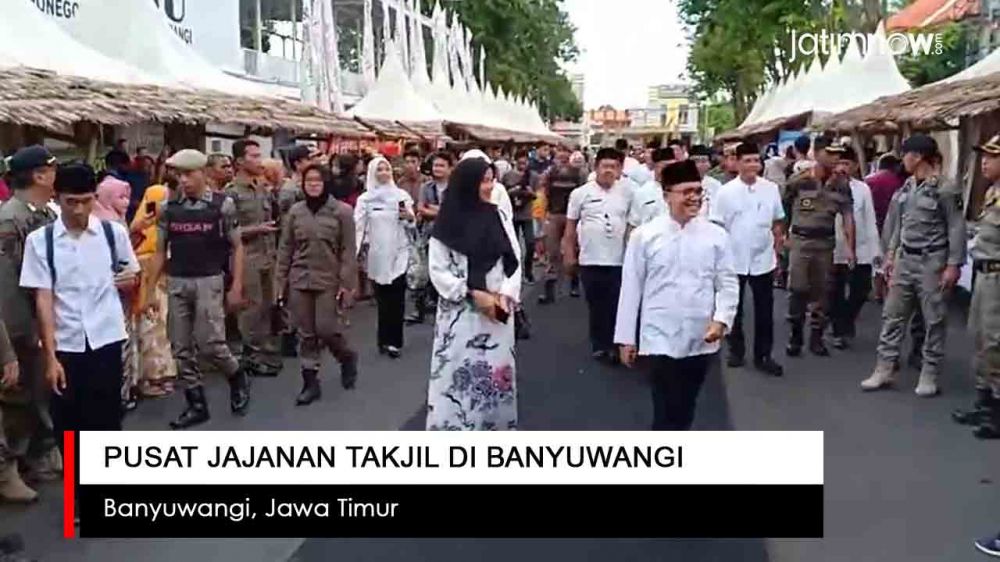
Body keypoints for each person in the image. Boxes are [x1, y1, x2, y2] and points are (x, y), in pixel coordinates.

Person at [21, 162, 138, 459]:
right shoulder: (41, 242)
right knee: (68, 425)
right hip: (66, 345)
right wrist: (50, 358)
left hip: (106, 340)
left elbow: (133, 277)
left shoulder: (113, 235)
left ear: (95, 198)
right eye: (70, 202)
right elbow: (43, 299)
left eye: (86, 201)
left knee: (107, 422)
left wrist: (130, 282)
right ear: (57, 199)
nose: (78, 209)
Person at [615, 159, 738, 430]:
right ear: (666, 195)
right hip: (658, 334)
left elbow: (727, 283)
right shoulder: (645, 236)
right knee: (665, 403)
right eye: (686, 192)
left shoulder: (716, 236)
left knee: (687, 403)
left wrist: (722, 319)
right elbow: (631, 287)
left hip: (701, 334)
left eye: (698, 191)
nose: (694, 198)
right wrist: (625, 338)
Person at [144, 149, 250, 429]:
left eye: (189, 174)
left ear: (203, 173)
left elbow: (237, 246)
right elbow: (159, 251)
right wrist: (149, 290)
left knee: (211, 343)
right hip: (178, 280)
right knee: (180, 347)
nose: (184, 180)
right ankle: (196, 404)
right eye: (179, 175)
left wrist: (237, 285)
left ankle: (236, 375)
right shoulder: (169, 208)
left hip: (209, 280)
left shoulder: (221, 205)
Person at [861, 134, 966, 397]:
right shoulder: (907, 187)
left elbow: (956, 227)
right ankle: (884, 367)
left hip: (932, 261)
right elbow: (899, 224)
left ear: (917, 156)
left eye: (906, 155)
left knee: (934, 318)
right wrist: (890, 255)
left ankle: (929, 372)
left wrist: (953, 264)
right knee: (892, 315)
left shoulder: (945, 188)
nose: (903, 160)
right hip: (905, 259)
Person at [426, 157, 521, 430]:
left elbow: (514, 260)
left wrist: (504, 294)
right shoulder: (446, 223)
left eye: (491, 180)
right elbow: (439, 271)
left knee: (494, 373)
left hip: (496, 312)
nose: (489, 186)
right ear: (467, 183)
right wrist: (470, 294)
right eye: (483, 180)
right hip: (460, 314)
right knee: (457, 374)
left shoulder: (498, 216)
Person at [0, 146, 61, 499]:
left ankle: (38, 455)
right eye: (51, 169)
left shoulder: (43, 214)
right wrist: (23, 333)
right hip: (22, 322)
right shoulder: (12, 219)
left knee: (39, 392)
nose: (56, 175)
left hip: (43, 316)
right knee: (18, 397)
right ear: (39, 175)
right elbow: (7, 285)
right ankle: (15, 463)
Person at [277, 164, 359, 405]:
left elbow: (348, 251)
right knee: (306, 333)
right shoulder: (295, 212)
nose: (313, 184)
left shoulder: (342, 212)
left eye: (317, 180)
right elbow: (286, 249)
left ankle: (346, 357)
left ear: (326, 183)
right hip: (300, 279)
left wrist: (347, 284)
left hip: (329, 280)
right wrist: (279, 282)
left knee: (326, 329)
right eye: (308, 180)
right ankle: (310, 383)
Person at [709, 142, 785, 377]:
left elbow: (778, 221)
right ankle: (736, 350)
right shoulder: (726, 192)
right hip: (734, 259)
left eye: (756, 161)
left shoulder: (770, 189)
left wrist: (778, 251)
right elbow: (717, 226)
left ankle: (764, 355)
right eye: (748, 160)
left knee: (765, 310)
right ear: (737, 162)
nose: (753, 165)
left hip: (763, 259)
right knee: (735, 308)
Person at [783, 137, 856, 358]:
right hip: (800, 241)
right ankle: (795, 336)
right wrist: (783, 234)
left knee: (822, 291)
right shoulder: (799, 181)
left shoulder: (842, 186)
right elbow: (784, 207)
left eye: (838, 154)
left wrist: (851, 248)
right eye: (830, 153)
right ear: (817, 153)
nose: (835, 159)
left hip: (825, 243)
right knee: (797, 289)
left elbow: (848, 217)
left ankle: (816, 337)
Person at [563, 148, 634, 364]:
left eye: (614, 167)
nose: (609, 171)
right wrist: (569, 254)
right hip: (590, 259)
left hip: (618, 260)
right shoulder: (580, 194)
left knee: (615, 304)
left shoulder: (628, 193)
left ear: (620, 170)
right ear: (596, 168)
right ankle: (599, 344)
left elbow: (631, 227)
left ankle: (614, 344)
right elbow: (570, 226)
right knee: (596, 304)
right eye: (605, 166)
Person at [952, 135, 1000, 438]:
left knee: (997, 343)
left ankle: (996, 411)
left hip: (998, 277)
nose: (985, 162)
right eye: (983, 156)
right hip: (983, 275)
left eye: (991, 157)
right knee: (981, 339)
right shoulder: (993, 192)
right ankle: (984, 403)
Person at [225, 139, 282, 378]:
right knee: (251, 308)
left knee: (267, 304)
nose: (259, 161)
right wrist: (257, 229)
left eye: (260, 155)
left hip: (268, 254)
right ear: (239, 161)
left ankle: (262, 350)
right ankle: (249, 356)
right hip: (246, 257)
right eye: (254, 156)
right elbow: (229, 232)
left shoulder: (261, 188)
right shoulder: (231, 193)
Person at [355, 157, 414, 358]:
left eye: (386, 168)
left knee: (397, 297)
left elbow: (411, 223)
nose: (383, 173)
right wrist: (353, 254)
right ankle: (383, 339)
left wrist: (408, 218)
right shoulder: (365, 199)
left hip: (399, 251)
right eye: (379, 169)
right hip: (377, 254)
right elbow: (359, 228)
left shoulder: (401, 195)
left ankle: (395, 342)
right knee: (383, 299)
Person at [92, 176, 139, 410]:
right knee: (120, 342)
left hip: (114, 293)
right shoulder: (112, 225)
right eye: (121, 197)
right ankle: (121, 394)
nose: (126, 203)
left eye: (127, 197)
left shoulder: (111, 221)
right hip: (113, 296)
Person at [828, 146, 882, 350]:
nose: (842, 168)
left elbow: (869, 220)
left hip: (860, 248)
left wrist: (875, 251)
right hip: (833, 248)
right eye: (839, 163)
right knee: (835, 291)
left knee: (861, 289)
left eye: (846, 164)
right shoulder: (825, 187)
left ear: (855, 166)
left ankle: (847, 320)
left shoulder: (862, 188)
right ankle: (838, 331)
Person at [128, 179, 176, 399]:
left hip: (162, 277)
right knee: (150, 327)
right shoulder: (138, 229)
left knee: (163, 326)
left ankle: (164, 372)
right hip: (145, 277)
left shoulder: (167, 224)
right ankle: (151, 375)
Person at [407, 151, 453, 325]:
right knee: (424, 271)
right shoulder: (426, 187)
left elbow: (453, 212)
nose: (438, 169)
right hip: (428, 234)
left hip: (449, 235)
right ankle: (420, 310)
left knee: (445, 271)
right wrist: (439, 211)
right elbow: (421, 209)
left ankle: (442, 307)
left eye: (442, 165)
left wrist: (434, 210)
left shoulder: (455, 188)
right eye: (435, 165)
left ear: (450, 168)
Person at [537, 145, 588, 304]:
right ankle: (549, 289)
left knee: (573, 250)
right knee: (552, 253)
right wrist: (543, 215)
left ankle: (574, 283)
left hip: (572, 217)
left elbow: (583, 195)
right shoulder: (550, 172)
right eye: (560, 151)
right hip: (554, 215)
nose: (563, 155)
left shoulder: (578, 173)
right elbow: (542, 192)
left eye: (566, 151)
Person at [501, 151, 538, 283]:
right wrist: (514, 190)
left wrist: (529, 192)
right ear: (515, 162)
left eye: (525, 162)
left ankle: (528, 271)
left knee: (530, 243)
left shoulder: (533, 176)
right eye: (520, 162)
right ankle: (514, 271)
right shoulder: (508, 175)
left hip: (527, 214)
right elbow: (502, 193)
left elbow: (536, 195)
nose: (523, 165)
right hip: (512, 214)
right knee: (513, 245)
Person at [631, 148, 673, 226]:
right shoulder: (643, 192)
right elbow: (634, 223)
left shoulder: (680, 191)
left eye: (672, 167)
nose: (669, 171)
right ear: (655, 166)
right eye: (665, 166)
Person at [691, 144, 723, 218]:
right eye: (696, 161)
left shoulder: (715, 184)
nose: (699, 165)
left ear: (709, 164)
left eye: (703, 161)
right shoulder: (682, 184)